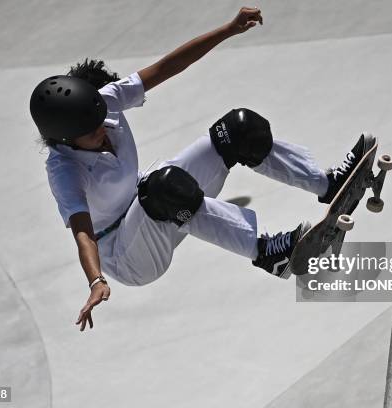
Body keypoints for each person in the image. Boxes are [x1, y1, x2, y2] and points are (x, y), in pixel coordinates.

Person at [29, 7, 372, 331]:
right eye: (92, 133)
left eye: (102, 121)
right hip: (129, 253)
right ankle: (268, 253)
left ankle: (328, 184)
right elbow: (83, 233)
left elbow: (166, 67)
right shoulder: (64, 171)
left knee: (239, 128)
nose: (103, 130)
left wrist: (227, 30)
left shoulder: (106, 103)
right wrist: (96, 280)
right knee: (162, 186)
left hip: (154, 206)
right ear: (67, 140)